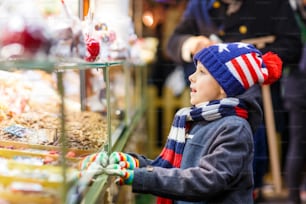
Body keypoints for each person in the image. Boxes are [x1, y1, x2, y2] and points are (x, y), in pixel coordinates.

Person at [79, 42, 283, 204]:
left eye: (202, 72)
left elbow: (204, 181)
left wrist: (136, 176)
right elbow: (174, 169)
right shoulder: (197, 119)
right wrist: (132, 163)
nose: (191, 77)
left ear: (224, 87)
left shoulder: (234, 128)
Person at [165, 0, 302, 200]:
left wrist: (247, 61)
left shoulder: (274, 4)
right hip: (205, 108)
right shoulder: (200, 5)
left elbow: (292, 46)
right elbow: (173, 42)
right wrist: (192, 44)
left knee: (248, 171)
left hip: (254, 104)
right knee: (201, 161)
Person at [284, 0, 306, 203]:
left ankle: (294, 196)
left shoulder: (290, 13)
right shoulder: (290, 14)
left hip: (295, 88)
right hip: (298, 88)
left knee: (297, 144)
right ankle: (293, 196)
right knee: (298, 144)